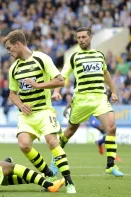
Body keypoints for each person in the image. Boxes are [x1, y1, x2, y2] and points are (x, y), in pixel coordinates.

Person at [3, 29, 76, 193]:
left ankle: (69, 181)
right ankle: (49, 175)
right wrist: (20, 105)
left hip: (44, 111)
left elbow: (60, 81)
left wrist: (39, 85)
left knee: (52, 142)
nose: (9, 52)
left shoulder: (41, 58)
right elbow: (12, 94)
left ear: (18, 44)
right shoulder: (14, 68)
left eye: (9, 48)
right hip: (26, 115)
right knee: (23, 145)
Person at [51, 27, 124, 177]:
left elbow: (106, 74)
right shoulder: (73, 57)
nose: (81, 40)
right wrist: (56, 91)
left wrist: (114, 91)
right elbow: (62, 76)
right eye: (79, 38)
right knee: (68, 133)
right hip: (82, 100)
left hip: (99, 98)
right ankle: (56, 159)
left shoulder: (99, 55)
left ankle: (110, 165)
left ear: (90, 38)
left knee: (111, 128)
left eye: (84, 37)